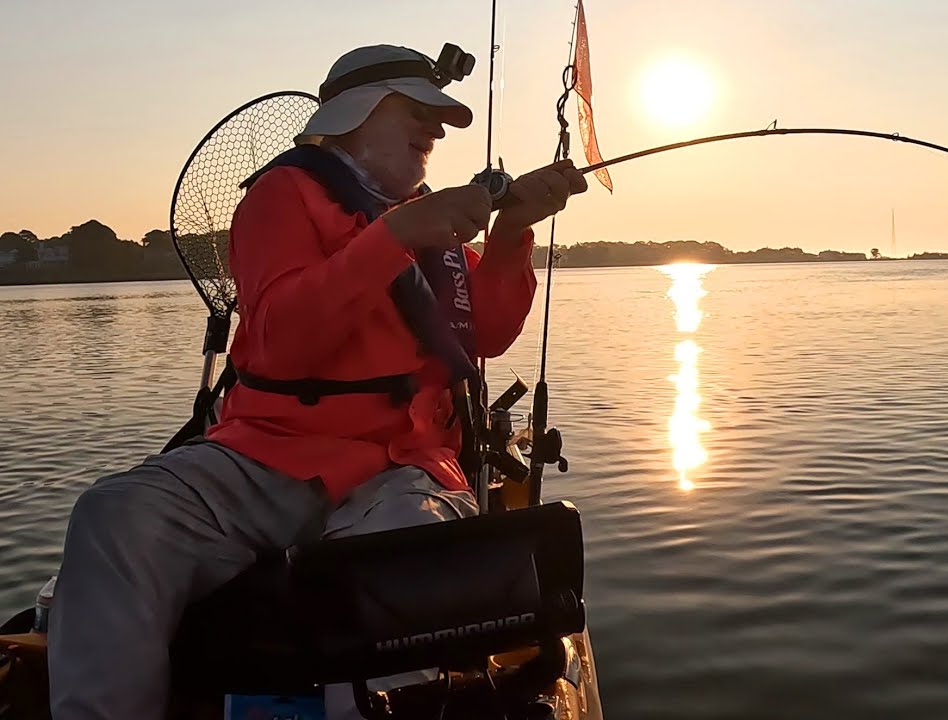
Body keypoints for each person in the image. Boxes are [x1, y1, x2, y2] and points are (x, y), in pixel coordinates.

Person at [47, 44, 588, 720]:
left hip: (402, 464)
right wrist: (392, 236)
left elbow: (482, 335)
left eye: (441, 118)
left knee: (397, 559)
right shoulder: (284, 195)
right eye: (417, 110)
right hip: (268, 453)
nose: (437, 130)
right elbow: (283, 339)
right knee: (115, 514)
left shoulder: (427, 214)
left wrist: (510, 232)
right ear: (354, 114)